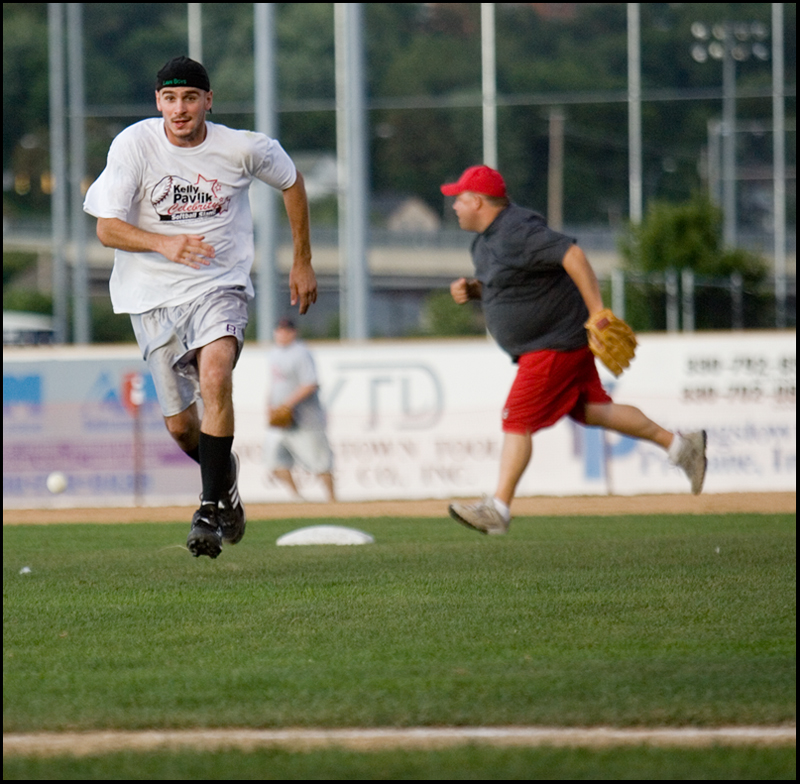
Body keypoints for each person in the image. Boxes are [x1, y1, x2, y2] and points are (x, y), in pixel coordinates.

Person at [83, 56, 318, 558]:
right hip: (151, 298)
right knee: (181, 426)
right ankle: (224, 478)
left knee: (215, 375)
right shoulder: (134, 145)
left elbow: (292, 181)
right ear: (158, 103)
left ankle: (210, 508)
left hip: (218, 285)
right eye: (170, 98)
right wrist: (163, 244)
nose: (180, 108)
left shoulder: (241, 148)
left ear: (208, 101)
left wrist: (302, 261)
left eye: (190, 97)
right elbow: (107, 227)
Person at [440, 165, 707, 535]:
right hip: (554, 342)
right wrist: (474, 291)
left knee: (516, 419)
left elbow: (572, 255)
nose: (453, 205)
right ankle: (681, 447)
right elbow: (511, 286)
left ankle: (497, 509)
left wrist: (598, 312)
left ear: (478, 201)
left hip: (552, 344)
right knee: (594, 410)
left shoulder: (516, 230)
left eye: (459, 198)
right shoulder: (485, 241)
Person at [264, 317, 335, 502]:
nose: (282, 333)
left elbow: (310, 384)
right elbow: (274, 385)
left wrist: (286, 405)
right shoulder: (274, 353)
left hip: (306, 419)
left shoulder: (301, 353)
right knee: (275, 461)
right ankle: (298, 499)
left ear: (294, 333)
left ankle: (333, 501)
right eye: (279, 330)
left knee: (321, 463)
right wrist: (270, 406)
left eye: (286, 330)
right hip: (282, 421)